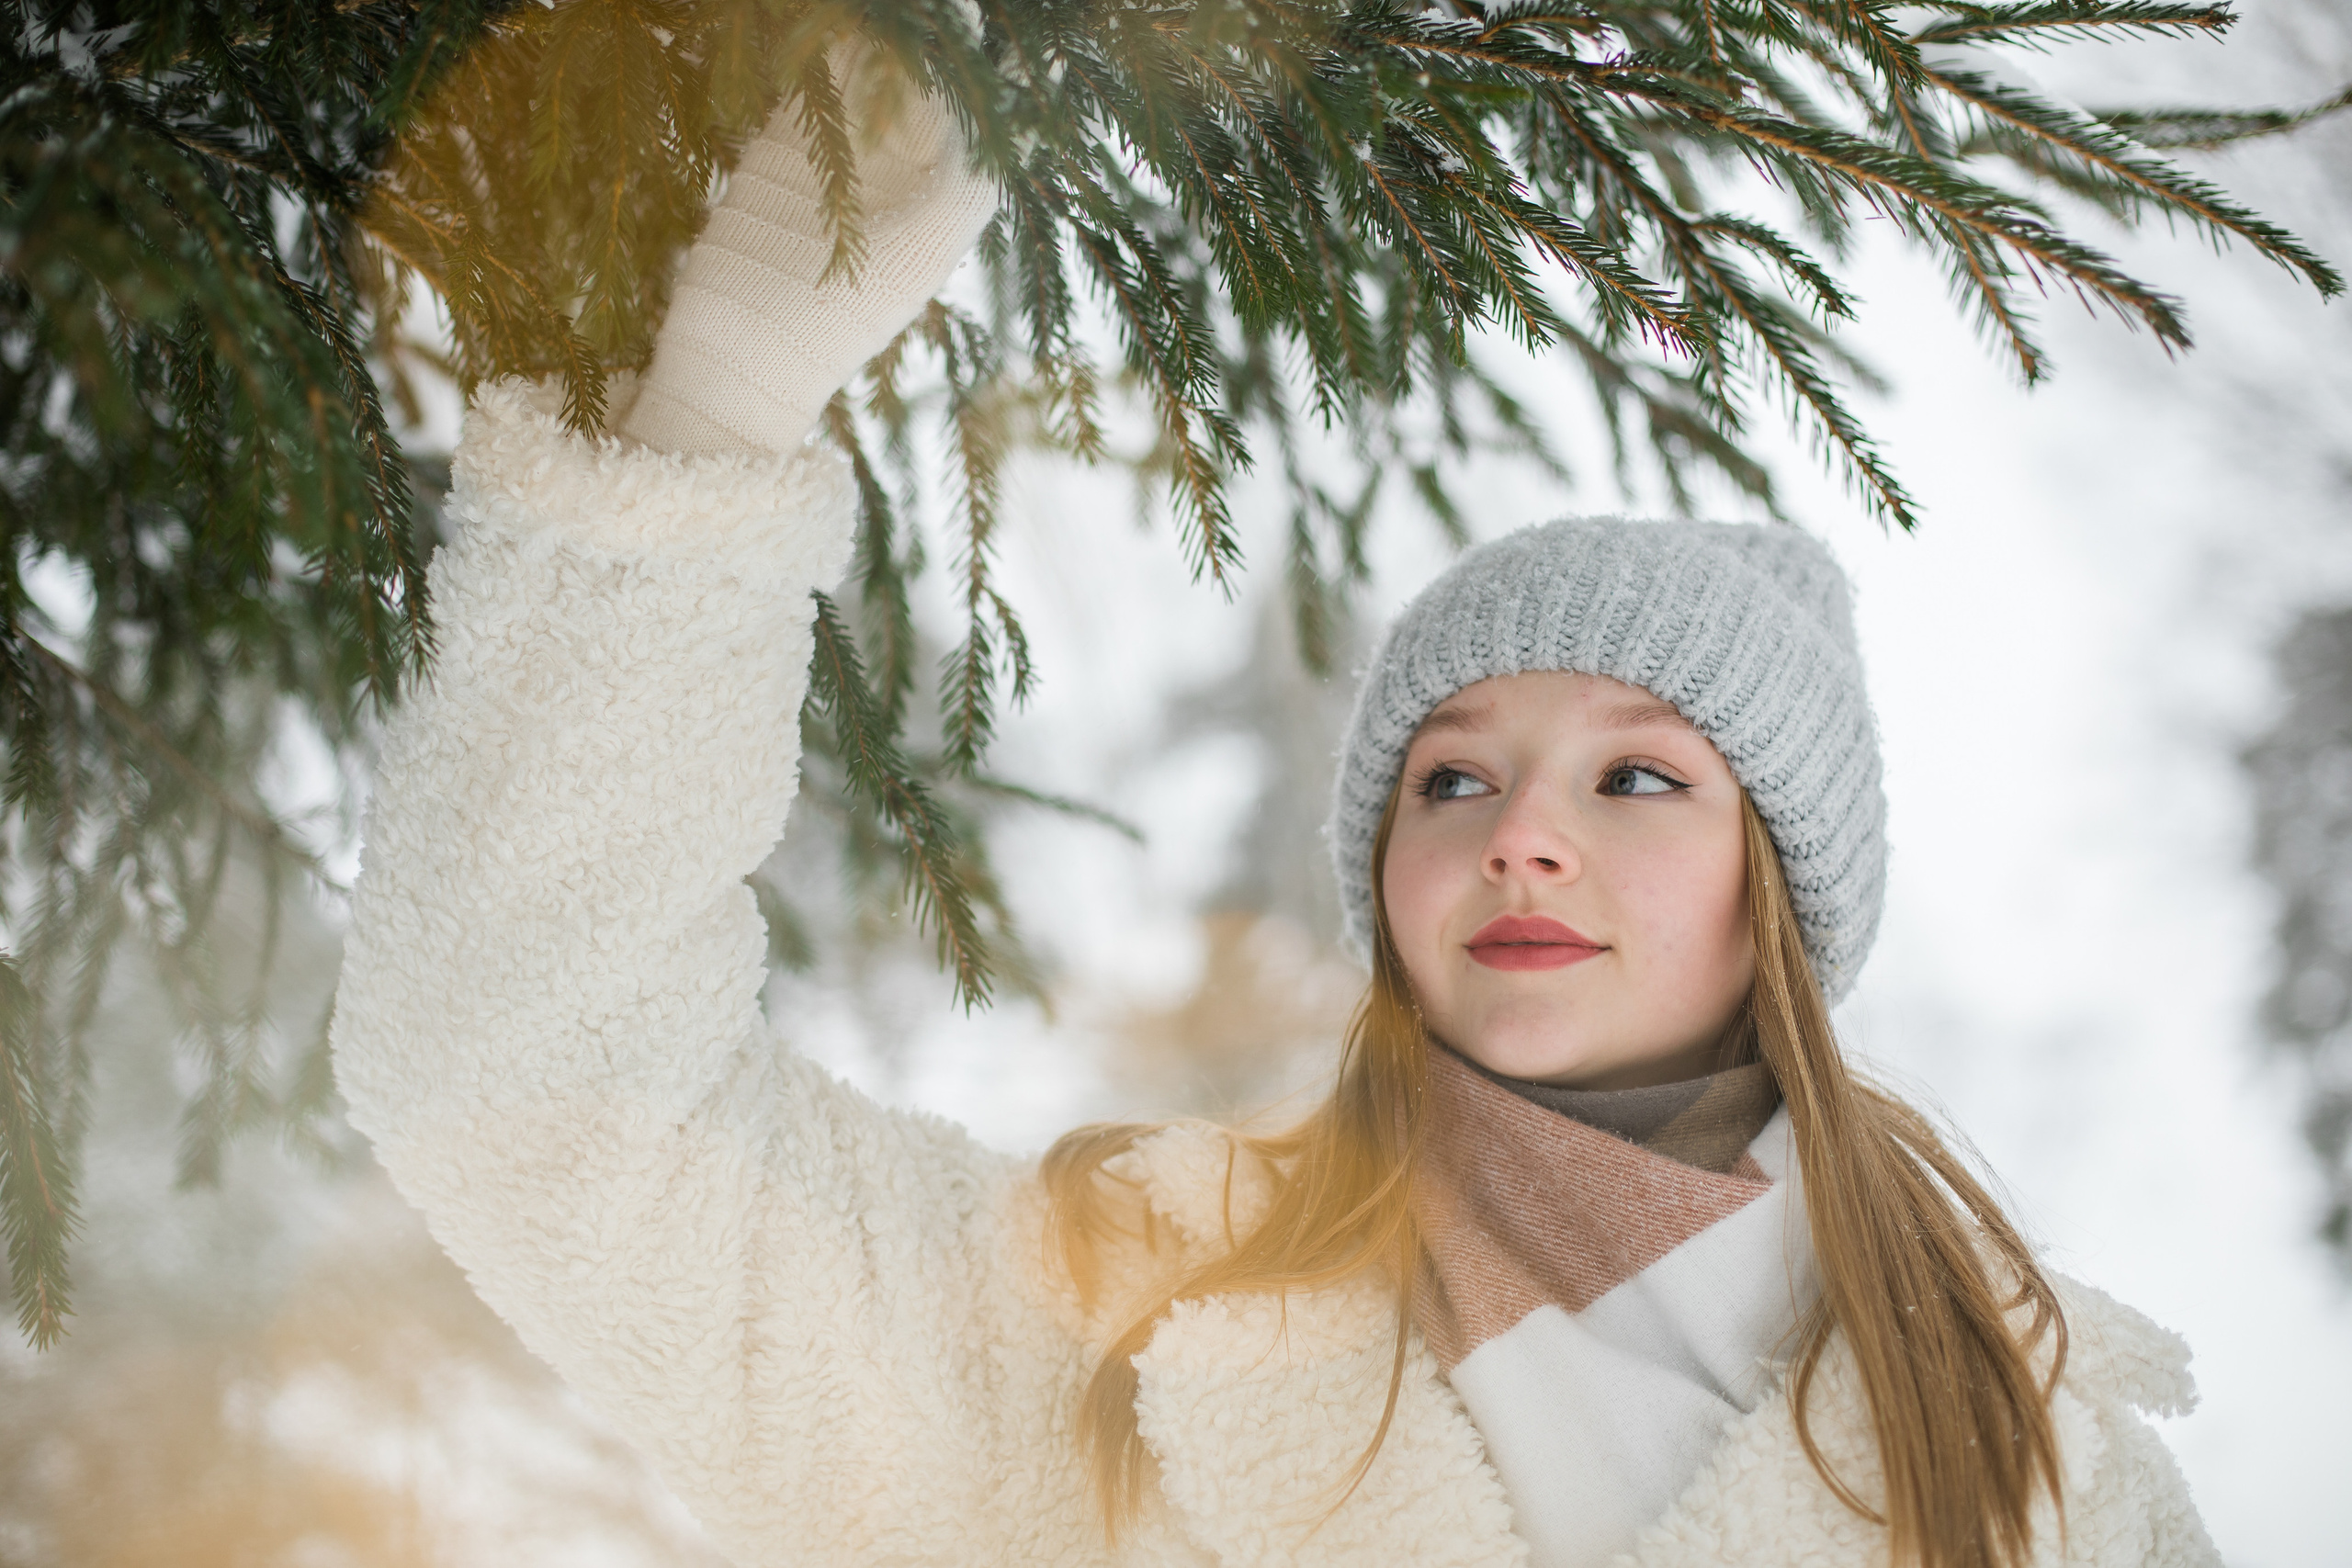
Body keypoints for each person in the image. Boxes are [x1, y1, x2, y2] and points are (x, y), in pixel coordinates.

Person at [330, 38, 2217, 1568]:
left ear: (1779, 889)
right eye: (1448, 773)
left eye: (1636, 771)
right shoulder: (1118, 1330)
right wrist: (709, 429)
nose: (1516, 833)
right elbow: (527, 1092)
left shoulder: (2047, 1459)